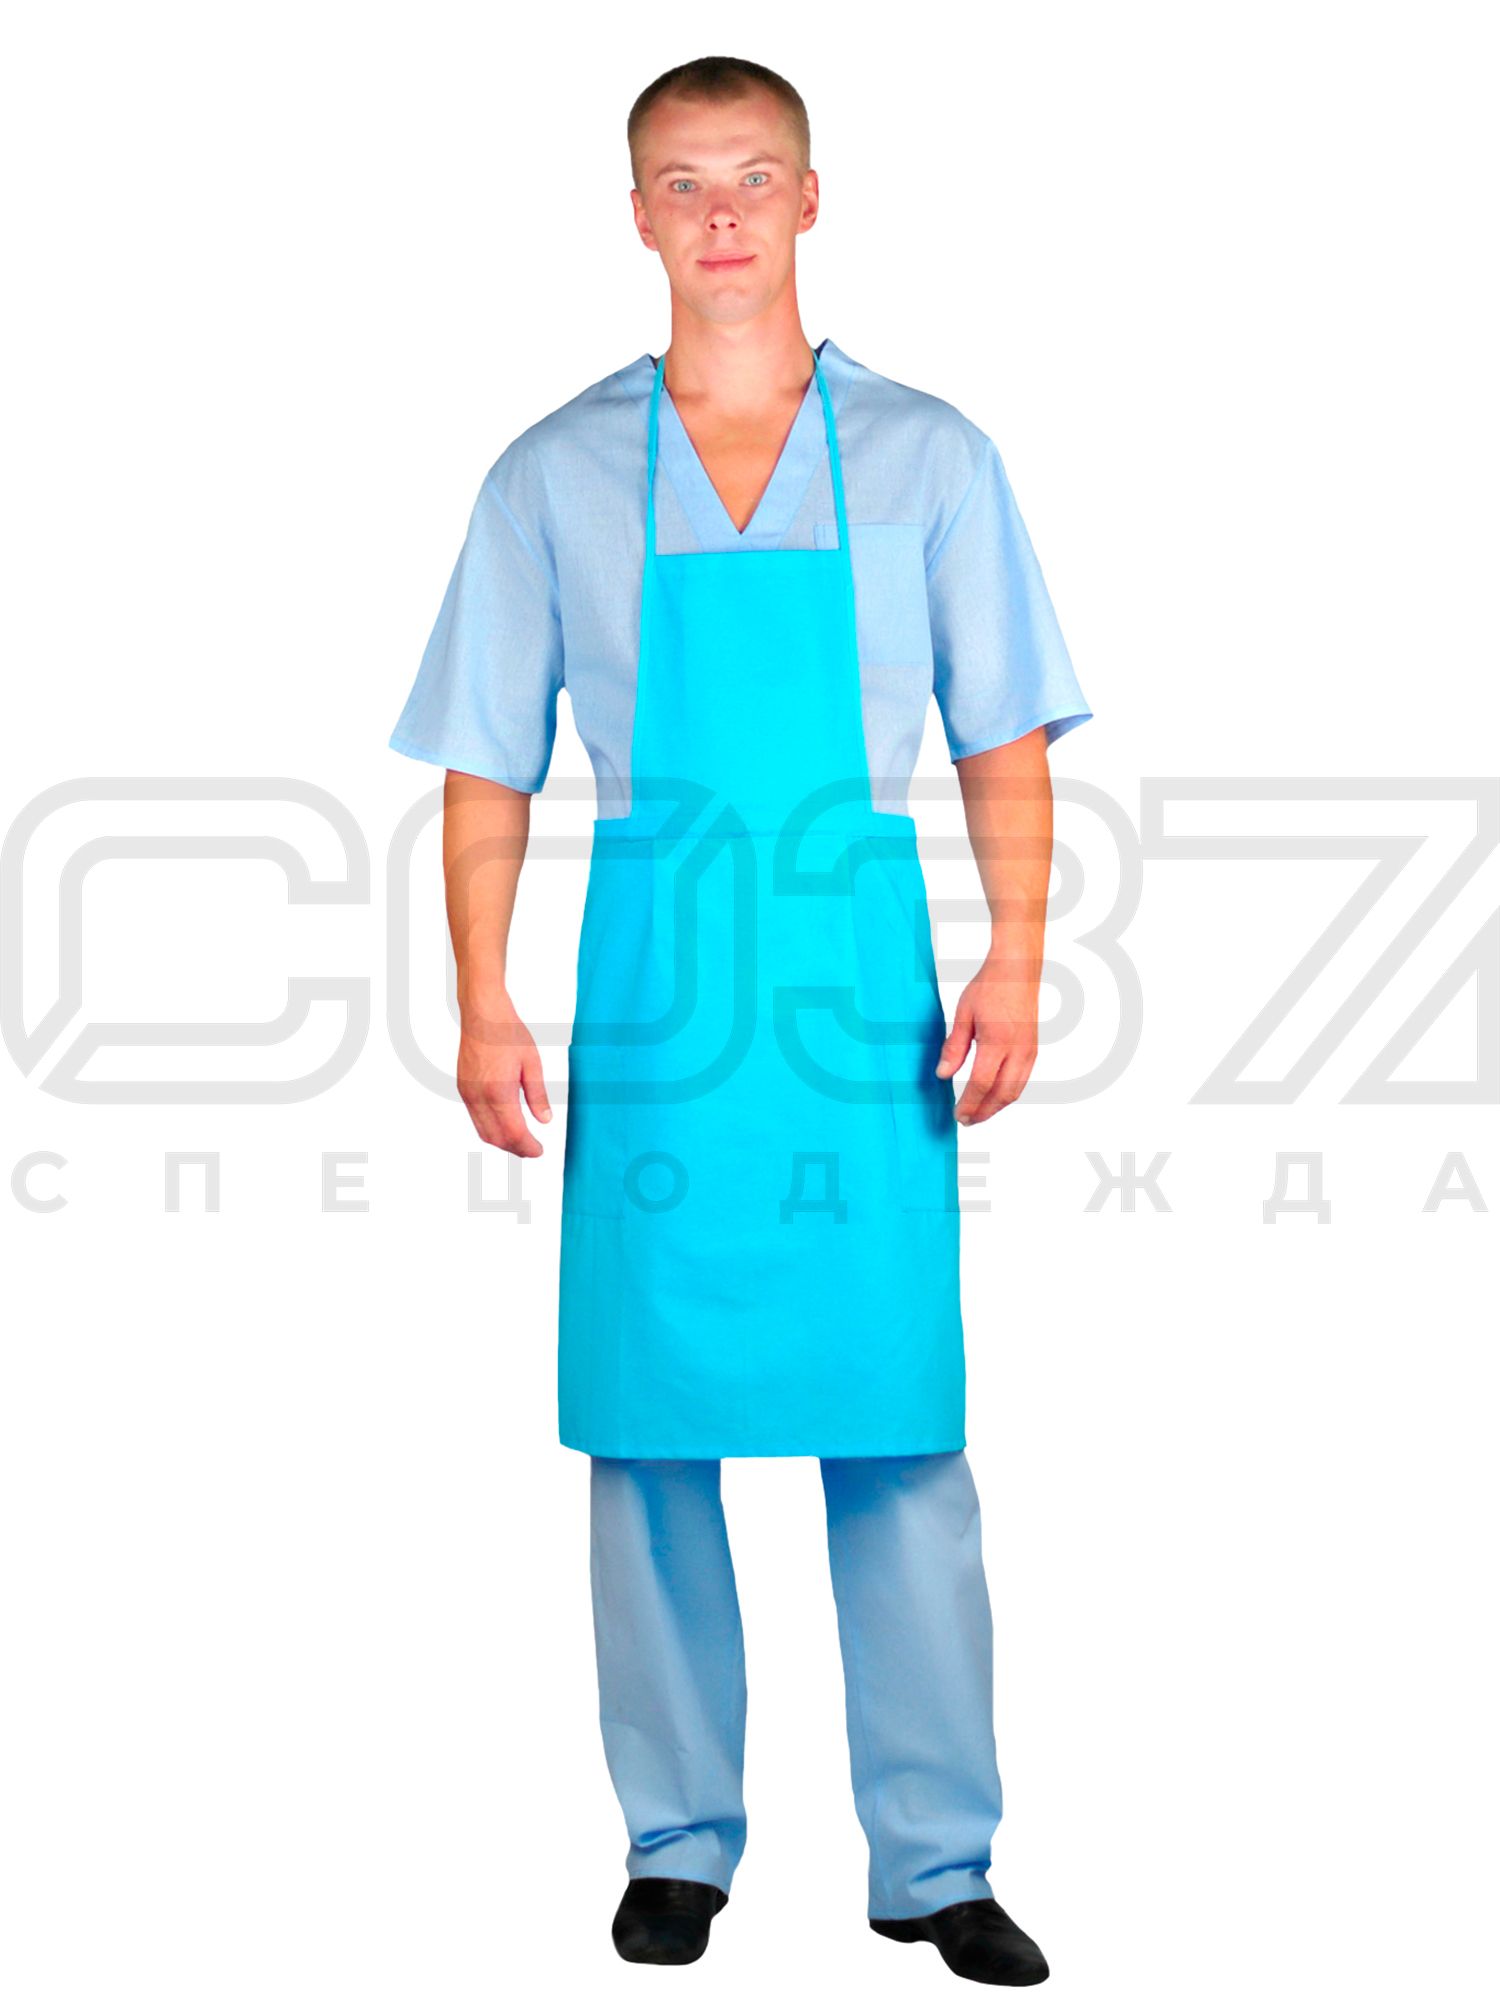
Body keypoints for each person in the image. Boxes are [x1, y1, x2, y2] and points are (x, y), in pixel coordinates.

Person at [388, 55, 1091, 1987]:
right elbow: (487, 763)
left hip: (861, 991)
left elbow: (1003, 735)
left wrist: (1017, 955)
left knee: (899, 1428)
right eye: (684, 183)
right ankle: (676, 1843)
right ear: (636, 215)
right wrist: (479, 994)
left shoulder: (930, 455)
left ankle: (936, 1861)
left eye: (754, 177)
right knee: (650, 1429)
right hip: (656, 988)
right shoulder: (551, 474)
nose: (721, 215)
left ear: (810, 199)